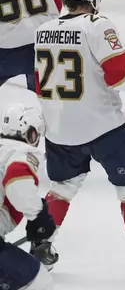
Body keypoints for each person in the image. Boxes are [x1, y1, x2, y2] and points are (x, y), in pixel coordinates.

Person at [34, 0, 125, 285]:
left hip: (60, 129)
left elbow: (39, 84)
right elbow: (119, 77)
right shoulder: (97, 25)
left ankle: (41, 245)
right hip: (105, 127)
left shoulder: (43, 30)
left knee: (61, 188)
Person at [0, 103, 54, 289]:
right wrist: (37, 216)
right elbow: (16, 180)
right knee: (39, 282)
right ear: (30, 133)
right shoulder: (20, 152)